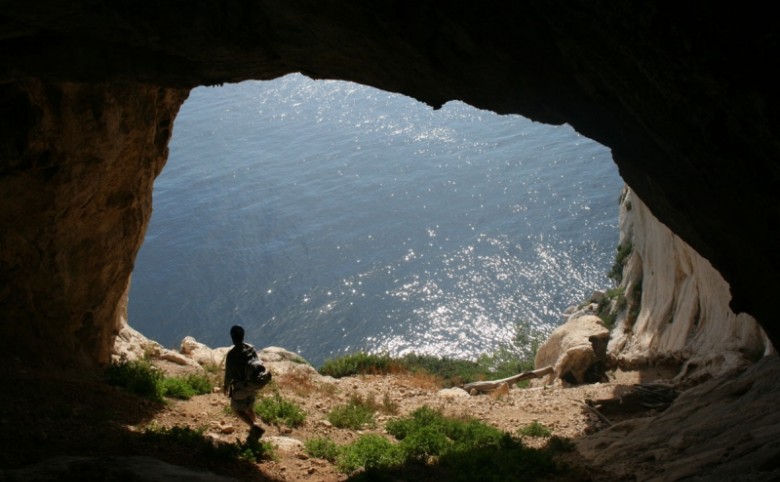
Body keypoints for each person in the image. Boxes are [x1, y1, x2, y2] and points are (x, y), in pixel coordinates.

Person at [223, 325, 265, 439]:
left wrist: (225, 386)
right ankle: (254, 426)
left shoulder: (232, 355)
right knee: (249, 406)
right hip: (254, 384)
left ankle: (254, 426)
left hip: (241, 387)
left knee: (236, 409)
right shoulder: (251, 348)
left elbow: (229, 375)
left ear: (232, 337)